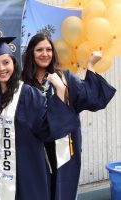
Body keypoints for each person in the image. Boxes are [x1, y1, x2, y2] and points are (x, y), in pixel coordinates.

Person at [0, 37, 78, 200]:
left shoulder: (29, 94)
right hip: (1, 174)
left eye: (6, 63)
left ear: (14, 64)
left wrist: (60, 90)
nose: (1, 68)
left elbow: (48, 129)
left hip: (29, 171)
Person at [21, 33, 116, 200]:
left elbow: (89, 97)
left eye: (49, 49)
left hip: (64, 146)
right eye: (39, 50)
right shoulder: (24, 82)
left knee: (62, 189)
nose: (45, 54)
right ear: (31, 53)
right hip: (36, 146)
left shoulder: (64, 76)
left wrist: (90, 65)